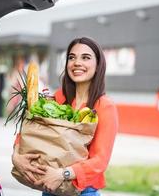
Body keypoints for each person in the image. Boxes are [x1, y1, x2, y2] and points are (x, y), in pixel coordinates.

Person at [12, 37, 119, 196]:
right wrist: (16, 156)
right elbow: (34, 128)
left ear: (98, 65)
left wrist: (62, 174)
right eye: (72, 57)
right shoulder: (60, 97)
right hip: (50, 188)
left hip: (82, 191)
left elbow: (100, 161)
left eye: (86, 57)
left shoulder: (105, 107)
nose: (77, 62)